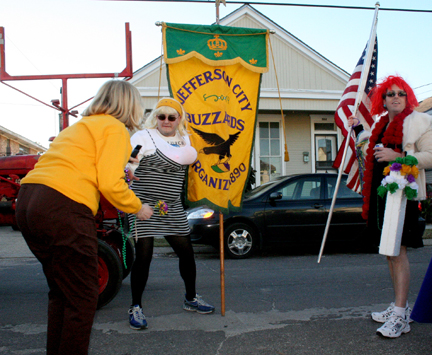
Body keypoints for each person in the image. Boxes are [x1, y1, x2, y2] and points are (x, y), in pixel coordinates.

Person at [15, 80, 154, 355]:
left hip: (29, 201)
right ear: (130, 105)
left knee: (61, 292)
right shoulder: (115, 128)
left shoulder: (80, 127)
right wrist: (138, 207)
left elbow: (79, 165)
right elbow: (110, 185)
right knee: (83, 296)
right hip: (63, 205)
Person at [348, 75, 432, 338]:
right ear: (383, 100)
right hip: (380, 195)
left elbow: (430, 156)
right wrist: (358, 128)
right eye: (390, 94)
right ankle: (400, 306)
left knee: (399, 251)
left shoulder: (420, 121)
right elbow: (369, 149)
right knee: (388, 251)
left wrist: (400, 156)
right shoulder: (380, 124)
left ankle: (400, 315)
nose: (396, 97)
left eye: (401, 93)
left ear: (408, 97)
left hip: (403, 194)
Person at [126, 97, 215, 330]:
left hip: (171, 207)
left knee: (186, 254)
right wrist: (129, 169)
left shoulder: (185, 139)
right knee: (143, 257)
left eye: (171, 117)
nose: (166, 121)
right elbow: (131, 159)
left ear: (178, 120)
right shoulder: (143, 137)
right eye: (161, 116)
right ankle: (136, 307)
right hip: (143, 206)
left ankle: (191, 298)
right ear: (155, 117)